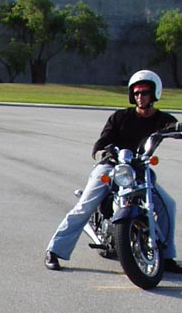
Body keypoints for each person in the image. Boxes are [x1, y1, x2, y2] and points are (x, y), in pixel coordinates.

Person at [45, 69, 180, 271]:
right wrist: (104, 150)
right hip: (111, 167)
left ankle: (166, 257)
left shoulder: (162, 120)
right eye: (136, 93)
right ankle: (54, 251)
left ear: (154, 93)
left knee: (167, 205)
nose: (140, 97)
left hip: (139, 169)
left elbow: (174, 127)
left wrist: (177, 130)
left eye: (144, 92)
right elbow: (102, 142)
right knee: (85, 206)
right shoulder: (120, 117)